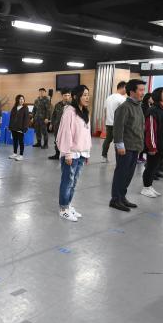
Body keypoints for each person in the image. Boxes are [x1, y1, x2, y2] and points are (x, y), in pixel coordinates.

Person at [56, 85, 92, 222]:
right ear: (76, 97)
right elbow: (66, 133)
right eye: (84, 95)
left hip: (81, 153)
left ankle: (68, 205)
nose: (87, 97)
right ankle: (63, 209)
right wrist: (67, 153)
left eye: (88, 94)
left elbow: (86, 134)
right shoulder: (70, 112)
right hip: (71, 154)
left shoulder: (85, 112)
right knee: (67, 181)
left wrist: (87, 152)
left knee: (74, 181)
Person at [110, 79, 146, 212]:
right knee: (121, 173)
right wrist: (119, 145)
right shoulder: (124, 107)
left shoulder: (138, 106)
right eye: (141, 90)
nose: (143, 92)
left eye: (143, 89)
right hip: (125, 147)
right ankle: (115, 199)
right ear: (132, 92)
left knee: (129, 174)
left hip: (135, 146)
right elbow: (118, 128)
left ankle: (122, 197)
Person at [141, 87, 163, 198]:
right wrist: (152, 147)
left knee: (155, 167)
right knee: (150, 167)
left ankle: (149, 187)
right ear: (158, 96)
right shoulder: (153, 111)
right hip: (155, 146)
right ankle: (146, 188)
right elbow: (150, 131)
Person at [101, 81, 127, 162]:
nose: (126, 91)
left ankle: (104, 156)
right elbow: (124, 113)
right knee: (118, 141)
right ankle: (119, 159)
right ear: (123, 87)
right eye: (126, 88)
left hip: (109, 123)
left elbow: (105, 111)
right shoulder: (122, 99)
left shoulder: (109, 97)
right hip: (118, 124)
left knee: (108, 140)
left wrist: (105, 122)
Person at [48, 89, 71, 160]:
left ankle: (66, 155)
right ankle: (57, 154)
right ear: (62, 96)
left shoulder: (72, 105)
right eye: (65, 95)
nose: (66, 97)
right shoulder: (57, 105)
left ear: (70, 96)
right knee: (57, 140)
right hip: (57, 126)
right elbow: (54, 115)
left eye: (68, 95)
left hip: (68, 127)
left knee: (67, 141)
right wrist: (51, 124)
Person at [8, 94, 30, 161]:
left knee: (21, 141)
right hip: (14, 128)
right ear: (17, 100)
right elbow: (11, 118)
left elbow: (26, 119)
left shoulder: (25, 108)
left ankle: (21, 155)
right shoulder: (14, 108)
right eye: (20, 99)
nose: (21, 100)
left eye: (22, 99)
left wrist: (25, 128)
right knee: (15, 141)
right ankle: (14, 153)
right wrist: (10, 127)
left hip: (21, 128)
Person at [138, 93, 154, 163]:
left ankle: (142, 157)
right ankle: (139, 157)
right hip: (142, 126)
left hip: (147, 127)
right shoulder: (143, 106)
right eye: (151, 98)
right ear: (148, 98)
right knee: (141, 142)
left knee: (145, 142)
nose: (152, 99)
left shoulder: (150, 106)